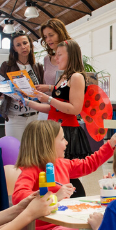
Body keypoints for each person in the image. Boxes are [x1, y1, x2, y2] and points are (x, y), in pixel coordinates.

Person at [13, 120, 116, 230]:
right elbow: (19, 197)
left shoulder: (62, 164)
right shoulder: (31, 169)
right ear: (47, 144)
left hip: (63, 225)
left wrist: (111, 143)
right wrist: (54, 197)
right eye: (62, 139)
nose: (67, 142)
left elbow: (89, 164)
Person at [25, 39, 92, 198]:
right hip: (56, 129)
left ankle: (76, 202)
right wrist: (28, 102)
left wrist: (48, 99)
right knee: (57, 173)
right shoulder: (63, 77)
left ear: (71, 56)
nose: (56, 59)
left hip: (68, 131)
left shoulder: (76, 77)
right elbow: (55, 108)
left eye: (60, 55)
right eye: (56, 55)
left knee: (69, 175)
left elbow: (75, 108)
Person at [0, 31, 44, 142]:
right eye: (18, 45)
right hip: (14, 118)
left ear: (30, 44)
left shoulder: (38, 66)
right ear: (14, 48)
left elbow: (42, 90)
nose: (23, 47)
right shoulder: (7, 66)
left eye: (25, 43)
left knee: (34, 152)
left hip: (35, 116)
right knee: (16, 152)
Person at [38, 18, 73, 120]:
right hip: (45, 110)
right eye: (45, 37)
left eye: (51, 35)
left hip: (62, 111)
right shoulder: (47, 59)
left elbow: (74, 88)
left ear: (60, 33)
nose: (48, 39)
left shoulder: (71, 57)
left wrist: (49, 87)